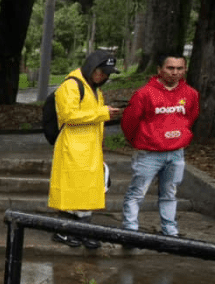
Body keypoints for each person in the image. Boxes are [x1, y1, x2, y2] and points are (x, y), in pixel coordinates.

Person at [48, 50, 122, 248]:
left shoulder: (93, 88)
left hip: (88, 147)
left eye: (107, 73)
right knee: (75, 191)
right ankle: (68, 231)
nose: (104, 76)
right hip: (73, 146)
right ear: (92, 68)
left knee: (84, 191)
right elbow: (69, 115)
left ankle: (77, 230)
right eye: (102, 72)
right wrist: (102, 112)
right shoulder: (71, 85)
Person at [120, 53, 199, 237]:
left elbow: (191, 117)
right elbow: (129, 122)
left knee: (169, 194)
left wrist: (181, 135)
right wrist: (139, 142)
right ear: (160, 70)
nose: (175, 72)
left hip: (176, 153)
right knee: (137, 193)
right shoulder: (144, 94)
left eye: (179, 68)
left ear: (185, 70)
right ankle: (130, 230)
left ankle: (170, 231)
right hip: (149, 153)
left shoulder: (191, 94)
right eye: (170, 68)